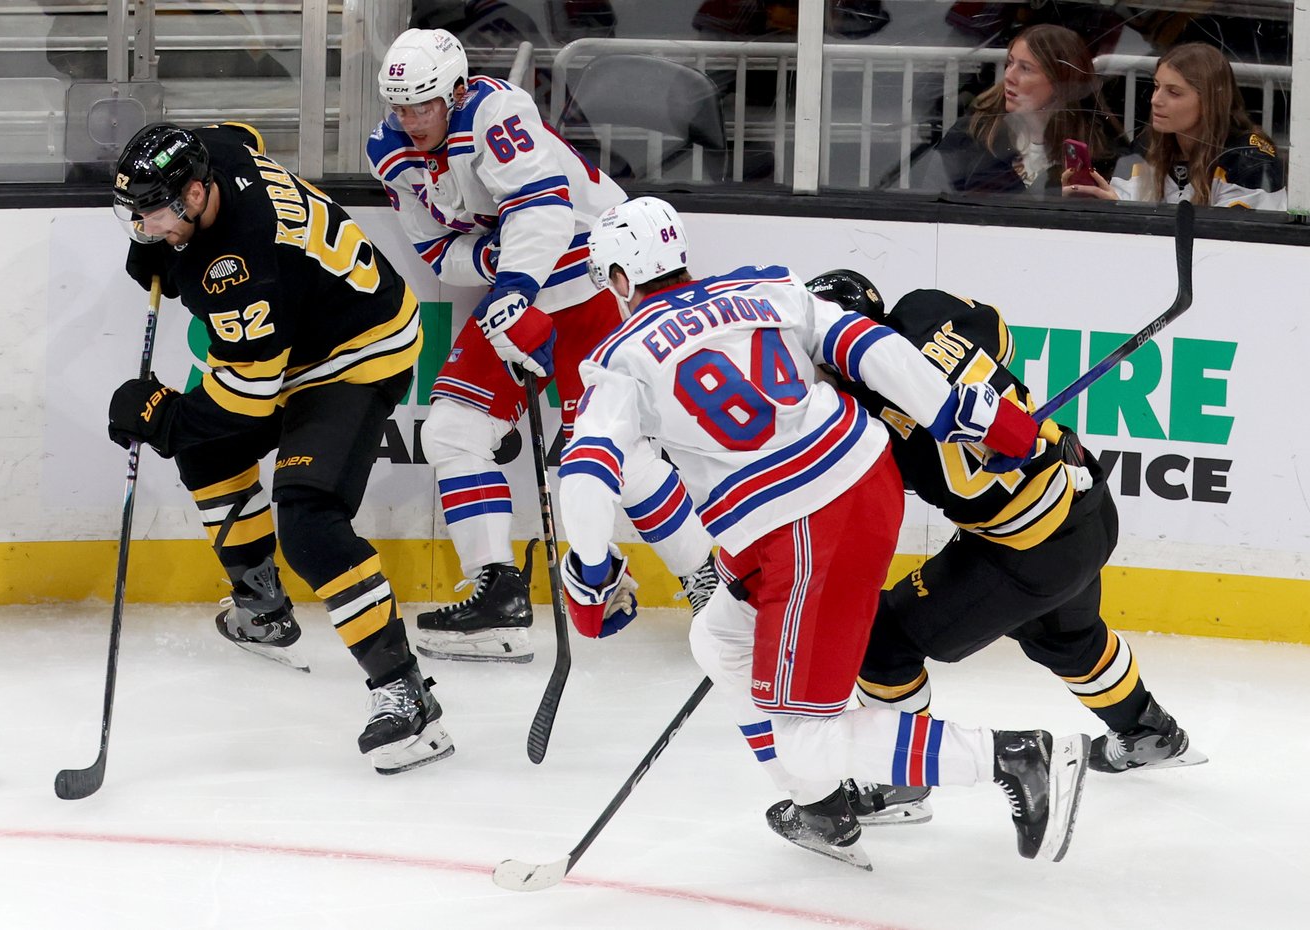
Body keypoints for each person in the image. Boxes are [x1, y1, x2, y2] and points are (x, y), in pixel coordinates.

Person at [557, 195, 1091, 869]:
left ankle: (1016, 757)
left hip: (809, 525)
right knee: (719, 637)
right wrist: (974, 418)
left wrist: (591, 572)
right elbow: (876, 351)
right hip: (838, 491)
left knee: (806, 738)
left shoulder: (620, 358)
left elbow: (585, 471)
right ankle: (823, 809)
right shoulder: (764, 290)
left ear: (621, 279)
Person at [108, 122, 453, 775]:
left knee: (310, 520)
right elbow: (248, 134)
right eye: (139, 214)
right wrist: (167, 243)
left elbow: (247, 396)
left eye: (153, 214)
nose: (143, 226)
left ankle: (407, 700)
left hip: (358, 352)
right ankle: (262, 606)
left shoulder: (236, 265)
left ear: (197, 192)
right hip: (303, 333)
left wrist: (164, 421)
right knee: (211, 456)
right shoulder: (215, 152)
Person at [366, 28, 718, 665]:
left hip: (587, 272)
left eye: (422, 105)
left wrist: (514, 286)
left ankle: (707, 583)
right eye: (400, 107)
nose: (410, 120)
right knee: (451, 430)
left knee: (615, 448)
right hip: (519, 285)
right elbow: (438, 252)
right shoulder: (388, 150)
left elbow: (546, 212)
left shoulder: (498, 112)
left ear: (456, 90)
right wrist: (505, 274)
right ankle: (497, 588)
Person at [803, 270, 1206, 822]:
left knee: (883, 644)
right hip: (1083, 498)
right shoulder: (925, 308)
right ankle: (1150, 732)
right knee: (1067, 638)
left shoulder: (849, 417)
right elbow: (1001, 336)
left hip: (1023, 551)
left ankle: (903, 785)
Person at [1064, 42, 1286, 210]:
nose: (1155, 100)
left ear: (1210, 101)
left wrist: (1132, 215)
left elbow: (1230, 242)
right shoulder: (1147, 144)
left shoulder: (1250, 159)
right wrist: (1101, 205)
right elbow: (1126, 210)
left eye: (1174, 92)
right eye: (1156, 87)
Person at [938, 24, 1128, 196]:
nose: (1009, 76)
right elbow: (934, 200)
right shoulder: (973, 131)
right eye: (1010, 63)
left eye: (1026, 69)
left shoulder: (1101, 153)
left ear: (1061, 82)